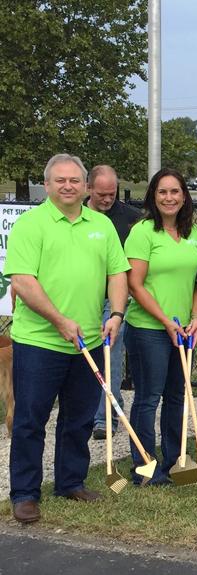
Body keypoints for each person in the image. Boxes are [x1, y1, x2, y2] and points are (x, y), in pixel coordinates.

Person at [5, 154, 129, 523]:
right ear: (47, 185)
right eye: (60, 180)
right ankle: (25, 493)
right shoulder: (32, 225)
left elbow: (118, 273)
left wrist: (117, 314)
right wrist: (59, 320)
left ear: (86, 186)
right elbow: (23, 282)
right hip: (39, 342)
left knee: (77, 420)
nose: (68, 186)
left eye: (75, 180)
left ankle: (70, 482)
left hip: (88, 341)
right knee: (31, 419)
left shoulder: (101, 226)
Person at [124, 168, 197, 486]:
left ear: (184, 196)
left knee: (176, 397)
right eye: (162, 192)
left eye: (175, 192)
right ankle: (145, 467)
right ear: (153, 197)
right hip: (148, 330)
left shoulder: (193, 233)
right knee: (148, 398)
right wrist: (163, 321)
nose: (169, 198)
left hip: (183, 330)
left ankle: (174, 461)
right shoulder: (142, 232)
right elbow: (135, 284)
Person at [85, 165, 141, 439]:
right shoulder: (77, 216)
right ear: (88, 189)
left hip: (115, 301)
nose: (108, 199)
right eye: (101, 195)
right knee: (84, 360)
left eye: (112, 194)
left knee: (110, 357)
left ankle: (105, 417)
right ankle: (82, 411)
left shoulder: (132, 219)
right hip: (82, 300)